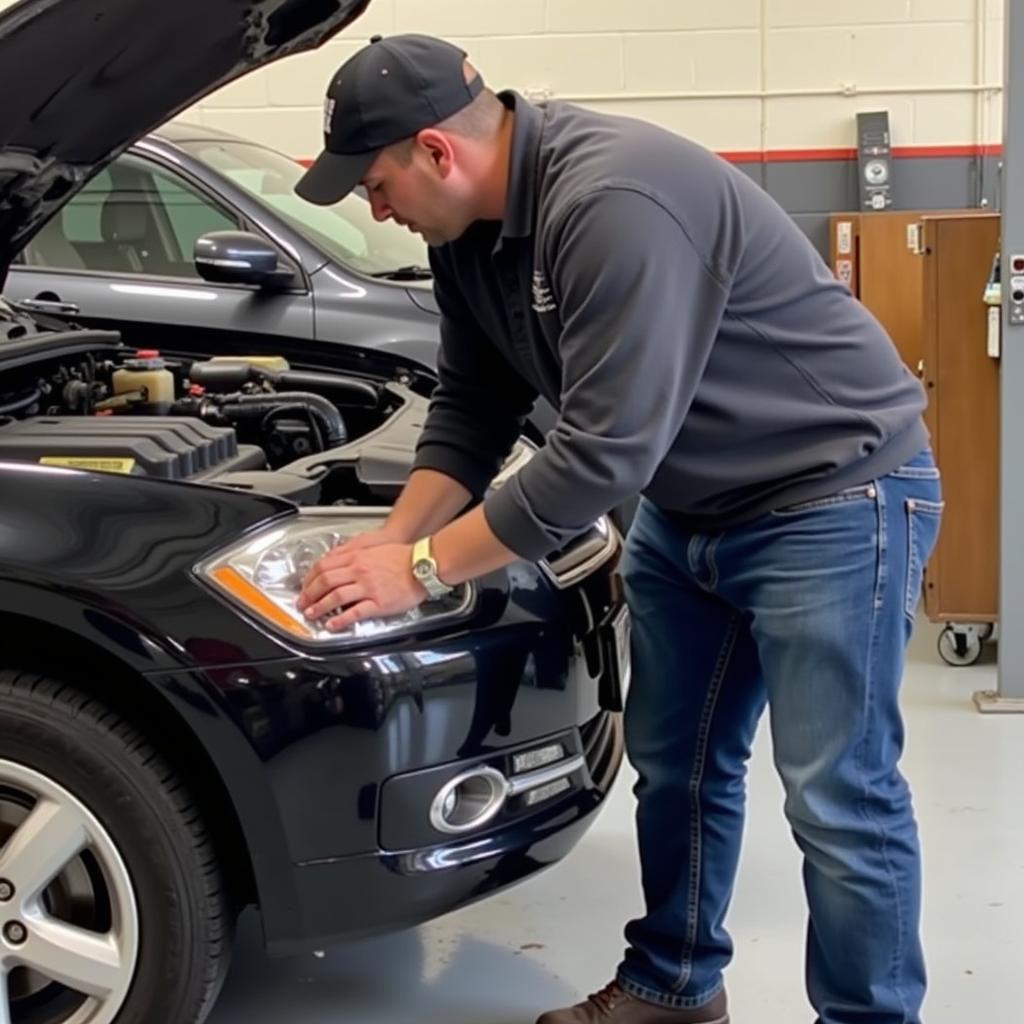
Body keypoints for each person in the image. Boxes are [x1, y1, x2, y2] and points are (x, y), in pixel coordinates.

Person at [294, 33, 942, 1024]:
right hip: (692, 510)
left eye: (375, 184)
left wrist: (420, 569)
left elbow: (600, 456)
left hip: (833, 497)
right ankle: (675, 986)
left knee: (837, 795)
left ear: (437, 150)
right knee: (675, 763)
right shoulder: (464, 235)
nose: (373, 209)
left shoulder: (613, 199)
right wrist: (391, 542)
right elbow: (472, 409)